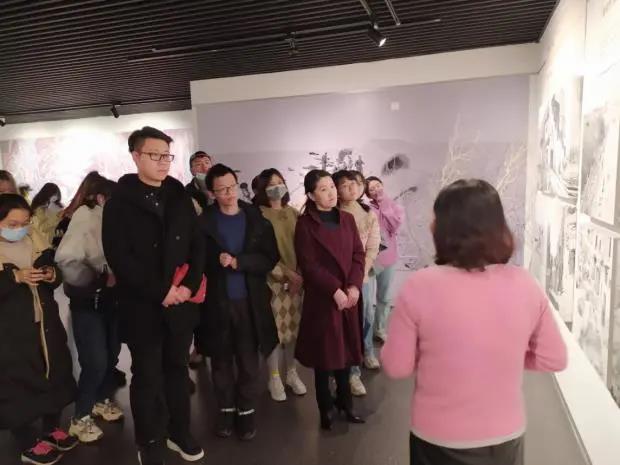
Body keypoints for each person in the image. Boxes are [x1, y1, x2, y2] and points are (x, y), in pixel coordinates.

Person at [381, 179, 568, 465]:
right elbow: (553, 358)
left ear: (442, 228)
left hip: (437, 436)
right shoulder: (525, 284)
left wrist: (437, 355)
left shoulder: (419, 285)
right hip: (504, 435)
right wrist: (502, 354)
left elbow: (397, 366)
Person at [102, 126, 206, 465]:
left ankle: (180, 431)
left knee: (178, 370)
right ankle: (149, 440)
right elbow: (119, 257)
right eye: (155, 155)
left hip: (181, 303)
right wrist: (162, 291)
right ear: (136, 156)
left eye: (167, 155)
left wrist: (189, 285)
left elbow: (197, 243)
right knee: (146, 375)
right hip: (142, 305)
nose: (163, 162)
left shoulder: (178, 195)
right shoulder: (119, 202)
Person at [198, 163, 279, 441]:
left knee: (248, 361)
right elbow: (195, 261)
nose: (229, 193)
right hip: (216, 303)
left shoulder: (256, 218)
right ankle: (225, 410)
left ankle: (246, 411)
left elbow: (270, 258)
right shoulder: (204, 223)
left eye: (231, 187)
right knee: (220, 360)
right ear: (212, 193)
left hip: (249, 301)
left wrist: (239, 262)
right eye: (221, 190)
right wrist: (215, 260)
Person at [0, 193, 78, 465]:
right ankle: (26, 441)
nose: (19, 229)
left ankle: (50, 428)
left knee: (54, 372)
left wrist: (50, 274)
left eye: (24, 223)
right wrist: (14, 277)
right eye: (12, 224)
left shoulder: (35, 240)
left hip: (45, 322)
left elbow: (55, 273)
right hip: (10, 332)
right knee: (16, 382)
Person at [294, 169, 366, 431]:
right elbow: (309, 265)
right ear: (312, 195)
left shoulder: (347, 219)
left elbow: (358, 255)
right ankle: (325, 408)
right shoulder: (305, 224)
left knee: (345, 354)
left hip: (348, 298)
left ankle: (346, 404)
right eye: (323, 189)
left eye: (332, 187)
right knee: (325, 358)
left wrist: (354, 286)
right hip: (324, 300)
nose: (331, 193)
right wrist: (335, 290)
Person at [55, 177, 123, 444]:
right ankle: (80, 416)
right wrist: (100, 277)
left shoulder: (109, 220)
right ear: (101, 198)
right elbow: (67, 260)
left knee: (111, 354)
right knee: (95, 360)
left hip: (111, 300)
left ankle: (100, 400)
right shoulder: (85, 216)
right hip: (88, 302)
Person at [254, 169, 307, 402]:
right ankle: (274, 376)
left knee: (294, 330)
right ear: (262, 189)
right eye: (271, 184)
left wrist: (300, 275)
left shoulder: (293, 213)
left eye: (280, 182)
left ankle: (292, 373)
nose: (277, 187)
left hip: (297, 282)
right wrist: (285, 273)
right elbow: (258, 251)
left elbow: (305, 247)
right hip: (272, 281)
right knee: (274, 332)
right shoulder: (257, 215)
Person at [333, 170, 380, 397]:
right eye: (345, 185)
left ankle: (362, 357)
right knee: (343, 326)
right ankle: (347, 372)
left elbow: (372, 246)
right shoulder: (332, 214)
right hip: (338, 280)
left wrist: (361, 273)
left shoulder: (368, 213)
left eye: (355, 183)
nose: (352, 188)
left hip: (363, 277)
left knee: (366, 317)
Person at [365, 176, 404, 343]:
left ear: (382, 185)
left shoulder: (395, 206)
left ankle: (380, 329)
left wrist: (384, 204)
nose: (376, 190)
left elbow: (394, 226)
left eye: (378, 185)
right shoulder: (366, 208)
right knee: (367, 301)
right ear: (367, 194)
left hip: (388, 258)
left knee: (385, 297)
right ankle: (365, 335)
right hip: (369, 260)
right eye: (371, 189)